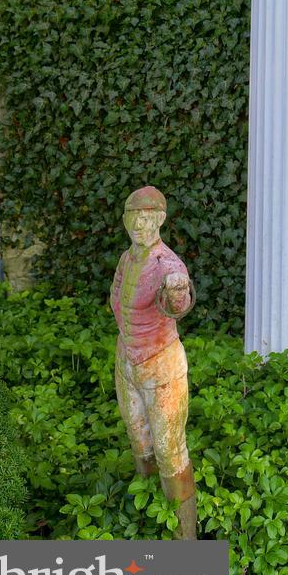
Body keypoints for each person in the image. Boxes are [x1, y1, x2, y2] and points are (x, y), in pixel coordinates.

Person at [110, 185, 197, 539]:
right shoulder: (127, 258)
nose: (138, 225)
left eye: (146, 218)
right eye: (133, 218)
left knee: (169, 450)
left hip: (161, 368)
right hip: (127, 364)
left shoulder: (169, 265)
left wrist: (178, 291)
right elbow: (116, 297)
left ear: (160, 220)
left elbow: (178, 304)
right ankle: (150, 523)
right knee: (140, 444)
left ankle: (185, 544)